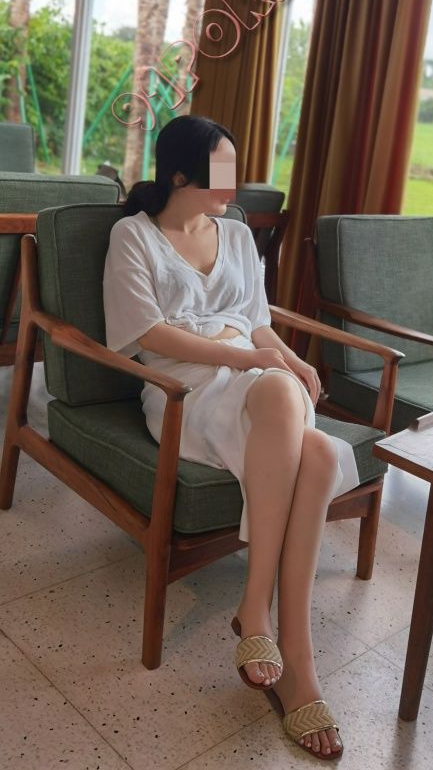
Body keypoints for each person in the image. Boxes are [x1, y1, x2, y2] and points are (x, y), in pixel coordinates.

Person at [103, 115, 355, 760]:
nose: (233, 184)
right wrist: (254, 361)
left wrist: (289, 359)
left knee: (317, 447)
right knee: (312, 442)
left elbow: (257, 322)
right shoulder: (134, 235)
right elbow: (147, 334)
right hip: (183, 388)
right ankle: (261, 616)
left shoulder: (239, 235)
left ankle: (286, 645)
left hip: (255, 379)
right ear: (178, 174)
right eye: (220, 171)